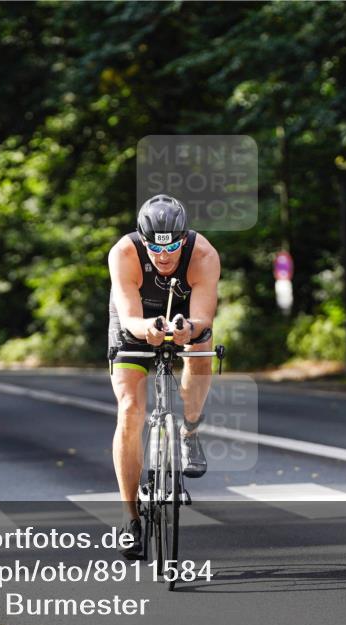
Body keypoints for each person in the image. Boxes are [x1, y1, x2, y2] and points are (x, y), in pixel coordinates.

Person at [107, 194, 221, 559]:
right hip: (136, 319)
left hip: (187, 315)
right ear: (142, 239)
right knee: (129, 411)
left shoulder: (202, 254)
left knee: (202, 357)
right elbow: (127, 317)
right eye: (155, 247)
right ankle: (130, 519)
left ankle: (188, 431)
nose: (164, 255)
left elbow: (204, 317)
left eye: (172, 245)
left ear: (183, 238)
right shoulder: (124, 253)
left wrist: (188, 327)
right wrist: (146, 330)